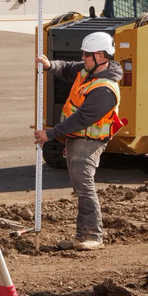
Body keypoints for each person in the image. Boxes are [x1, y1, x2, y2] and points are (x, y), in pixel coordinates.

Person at [34, 31, 123, 251]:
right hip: (77, 140)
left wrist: (51, 133)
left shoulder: (105, 89)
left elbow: (82, 118)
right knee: (80, 188)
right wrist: (49, 65)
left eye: (86, 55)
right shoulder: (87, 71)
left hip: (89, 142)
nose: (82, 58)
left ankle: (94, 235)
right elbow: (67, 68)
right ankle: (81, 236)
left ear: (100, 56)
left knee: (85, 188)